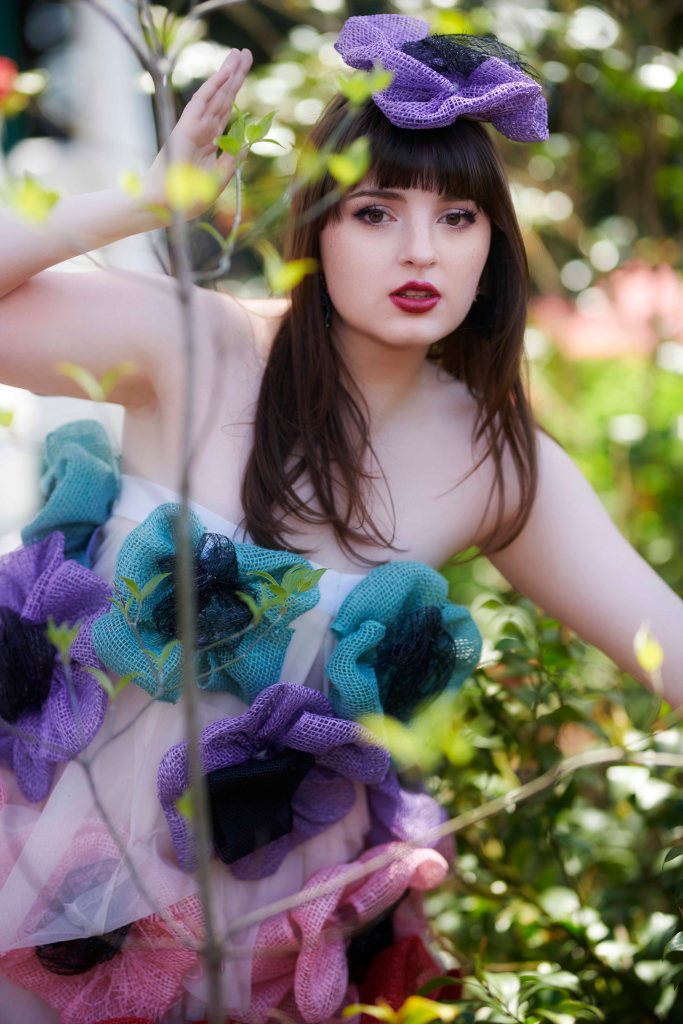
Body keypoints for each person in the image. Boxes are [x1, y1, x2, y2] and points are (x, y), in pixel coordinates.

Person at [0, 12, 681, 1024]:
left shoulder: (493, 459)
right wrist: (143, 201)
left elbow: (666, 642)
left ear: (491, 244)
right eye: (374, 212)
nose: (420, 251)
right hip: (52, 863)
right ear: (317, 226)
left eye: (457, 217)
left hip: (275, 916)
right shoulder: (196, 344)